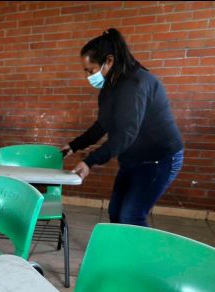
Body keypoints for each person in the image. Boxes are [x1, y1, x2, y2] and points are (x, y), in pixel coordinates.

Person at [62, 28, 184, 227]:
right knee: (116, 212)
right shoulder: (111, 86)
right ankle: (122, 254)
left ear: (108, 61)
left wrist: (90, 161)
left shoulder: (135, 85)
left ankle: (137, 258)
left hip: (159, 159)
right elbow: (103, 124)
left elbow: (125, 134)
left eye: (90, 70)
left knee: (131, 216)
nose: (88, 76)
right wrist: (74, 146)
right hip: (132, 158)